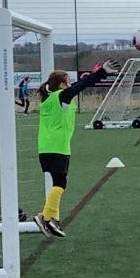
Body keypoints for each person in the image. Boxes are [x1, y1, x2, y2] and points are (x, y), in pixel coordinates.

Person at [33, 60, 119, 238]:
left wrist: (94, 74)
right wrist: (101, 73)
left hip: (46, 147)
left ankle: (53, 219)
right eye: (68, 81)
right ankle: (45, 216)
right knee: (60, 183)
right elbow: (80, 86)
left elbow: (79, 85)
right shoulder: (61, 97)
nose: (70, 84)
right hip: (58, 146)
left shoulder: (48, 99)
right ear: (62, 85)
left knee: (58, 181)